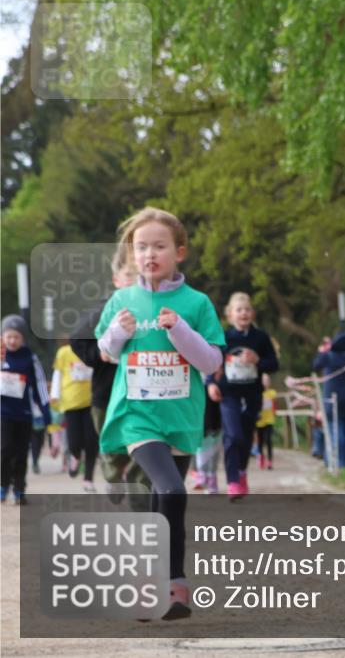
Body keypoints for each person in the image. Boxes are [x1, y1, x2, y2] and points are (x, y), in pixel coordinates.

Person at [96, 206, 225, 619]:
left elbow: (210, 363)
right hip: (138, 415)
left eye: (159, 246)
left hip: (181, 417)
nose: (149, 254)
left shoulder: (197, 303)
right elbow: (105, 352)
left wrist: (179, 330)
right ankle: (172, 585)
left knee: (162, 500)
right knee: (171, 490)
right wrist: (119, 332)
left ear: (179, 252)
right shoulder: (122, 299)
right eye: (141, 247)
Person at [71, 248, 151, 498]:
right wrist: (99, 354)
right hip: (107, 392)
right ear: (116, 280)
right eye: (128, 275)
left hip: (144, 392)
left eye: (138, 275)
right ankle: (114, 474)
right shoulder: (104, 309)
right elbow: (77, 339)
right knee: (112, 445)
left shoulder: (154, 309)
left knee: (146, 441)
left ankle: (137, 485)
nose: (133, 281)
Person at [206, 292, 278, 500]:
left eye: (247, 309)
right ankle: (233, 481)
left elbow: (273, 364)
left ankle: (242, 472)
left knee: (246, 437)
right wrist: (211, 383)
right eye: (239, 310)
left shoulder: (261, 338)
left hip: (253, 393)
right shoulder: (225, 337)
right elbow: (212, 360)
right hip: (229, 392)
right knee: (233, 435)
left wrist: (257, 360)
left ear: (253, 313)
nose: (243, 313)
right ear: (230, 315)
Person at [1, 314, 51, 504]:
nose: (12, 341)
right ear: (3, 337)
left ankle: (20, 489)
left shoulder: (30, 357)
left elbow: (39, 384)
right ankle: (3, 484)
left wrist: (45, 409)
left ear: (23, 338)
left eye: (17, 337)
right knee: (4, 450)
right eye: (9, 336)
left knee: (21, 454)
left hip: (24, 414)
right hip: (3, 414)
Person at [52, 341, 98, 489]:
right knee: (74, 441)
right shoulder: (64, 352)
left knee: (91, 442)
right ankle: (75, 457)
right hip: (71, 402)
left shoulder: (95, 350)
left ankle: (88, 479)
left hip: (92, 401)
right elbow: (57, 374)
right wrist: (54, 394)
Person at [312, 332, 345, 468]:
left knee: (336, 431)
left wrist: (323, 351)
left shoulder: (329, 357)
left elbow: (316, 365)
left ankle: (337, 462)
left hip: (333, 400)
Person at [255, 373, 277, 469]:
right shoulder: (257, 393)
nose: (265, 383)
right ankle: (261, 457)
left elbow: (275, 405)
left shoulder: (272, 393)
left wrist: (274, 412)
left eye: (267, 381)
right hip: (259, 421)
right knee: (260, 441)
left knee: (268, 440)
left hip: (269, 420)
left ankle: (270, 461)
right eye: (264, 381)